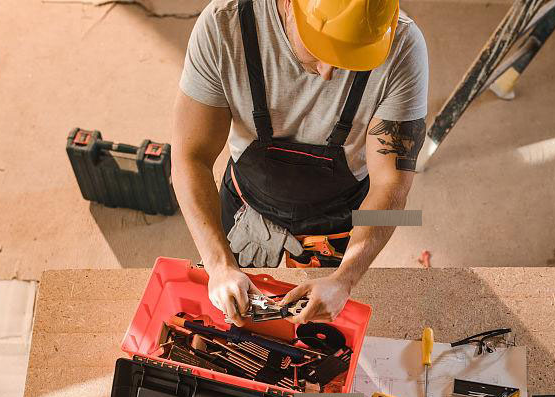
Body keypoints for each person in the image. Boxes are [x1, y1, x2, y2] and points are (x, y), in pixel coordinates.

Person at [171, 0, 429, 325]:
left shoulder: (404, 47)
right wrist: (218, 264)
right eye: (322, 49)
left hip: (344, 214)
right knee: (226, 315)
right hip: (245, 200)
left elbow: (391, 187)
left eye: (350, 58)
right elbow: (188, 158)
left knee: (320, 329)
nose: (328, 73)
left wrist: (345, 278)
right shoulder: (223, 25)